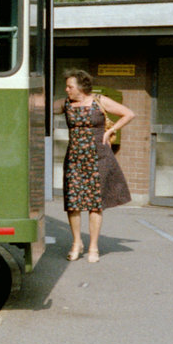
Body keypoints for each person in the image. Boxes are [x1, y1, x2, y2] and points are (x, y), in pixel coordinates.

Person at [55, 69, 135, 263]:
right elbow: (40, 107)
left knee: (95, 204)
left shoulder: (99, 101)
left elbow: (129, 114)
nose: (67, 90)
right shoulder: (66, 103)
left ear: (81, 87)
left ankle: (93, 246)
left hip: (98, 158)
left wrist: (111, 130)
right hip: (74, 158)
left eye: (70, 86)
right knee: (73, 203)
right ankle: (76, 243)